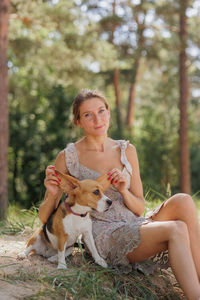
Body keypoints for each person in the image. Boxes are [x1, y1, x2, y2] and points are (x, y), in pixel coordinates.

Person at [39, 89, 200, 300]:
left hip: (134, 221)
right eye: (88, 114)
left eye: (101, 111)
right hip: (105, 234)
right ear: (78, 121)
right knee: (177, 228)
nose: (97, 119)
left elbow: (139, 207)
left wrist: (124, 190)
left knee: (184, 200)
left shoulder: (126, 150)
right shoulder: (68, 157)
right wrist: (52, 194)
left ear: (109, 113)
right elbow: (45, 219)